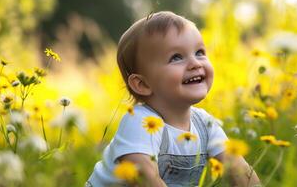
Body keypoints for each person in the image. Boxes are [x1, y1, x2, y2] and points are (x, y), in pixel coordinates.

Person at [87, 11, 260, 187]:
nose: (195, 63)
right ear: (142, 84)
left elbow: (238, 169)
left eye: (199, 52)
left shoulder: (205, 124)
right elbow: (144, 177)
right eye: (176, 57)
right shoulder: (140, 122)